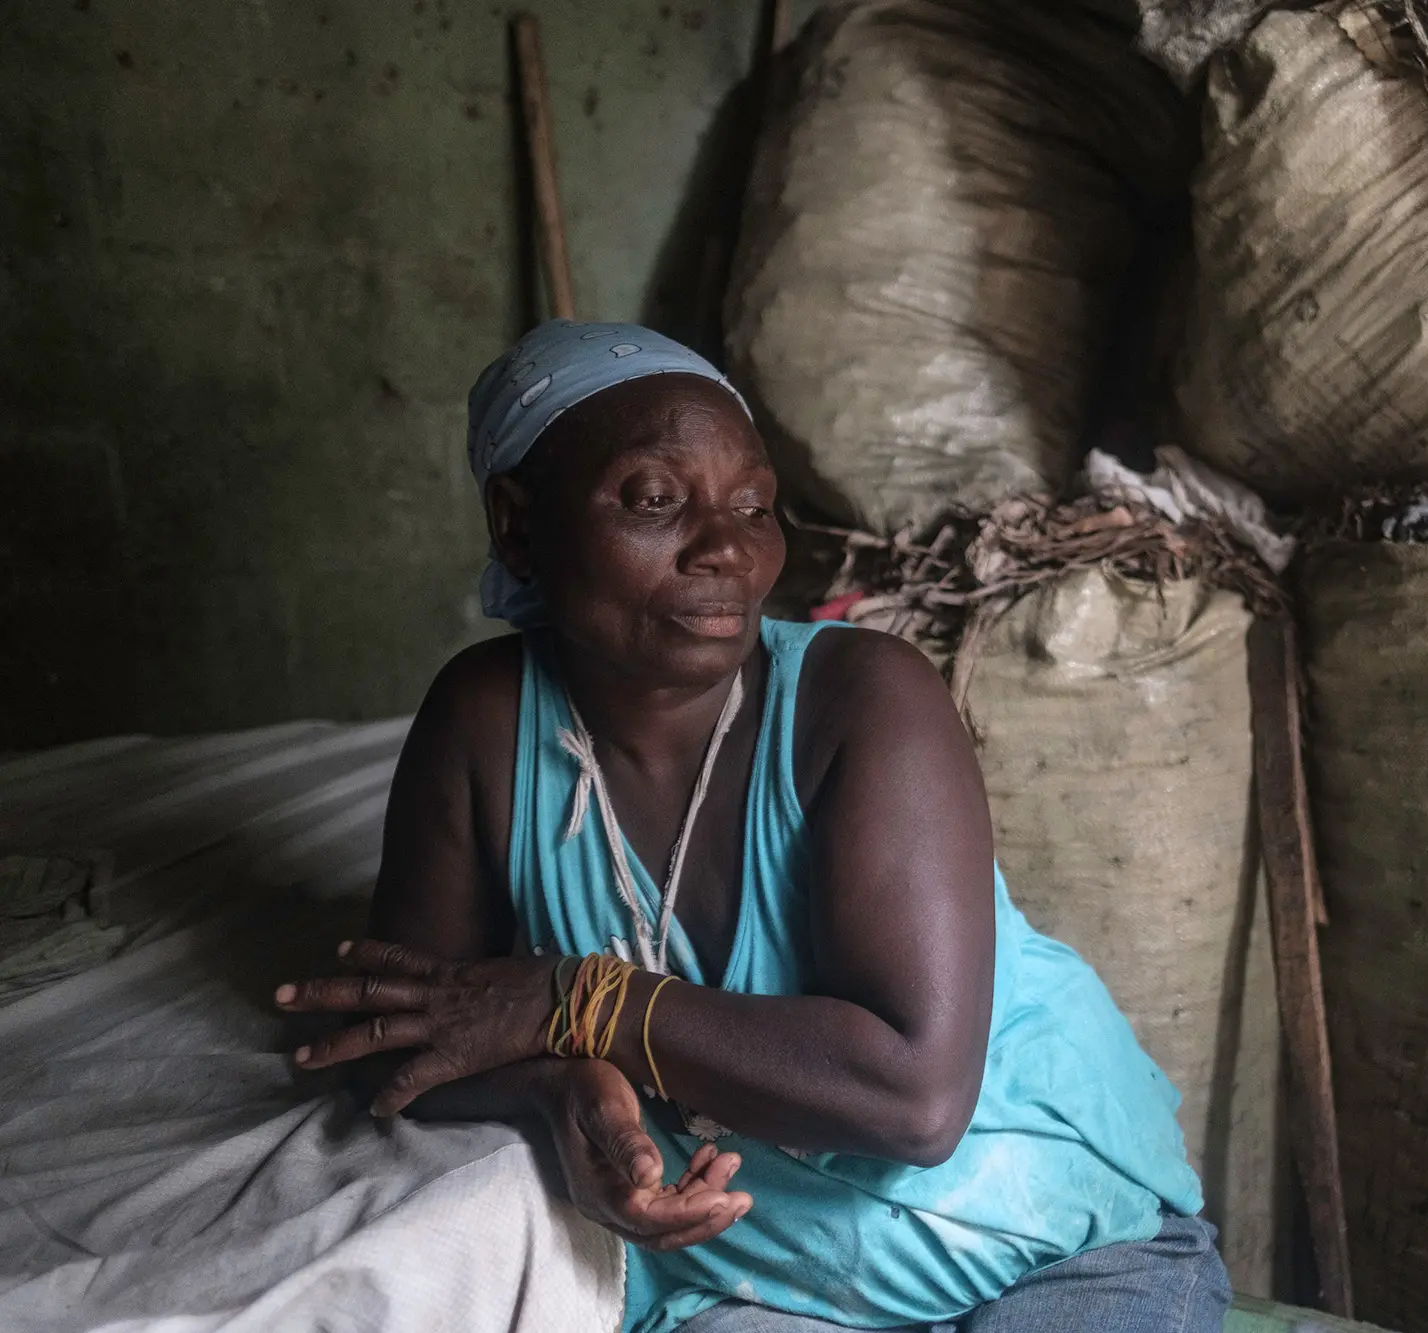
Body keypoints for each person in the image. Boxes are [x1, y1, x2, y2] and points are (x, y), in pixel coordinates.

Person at [274, 321, 1229, 1333]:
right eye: (654, 499)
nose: (725, 546)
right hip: (752, 1276)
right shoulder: (484, 720)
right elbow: (407, 1036)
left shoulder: (860, 699)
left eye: (753, 506)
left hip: (1038, 1236)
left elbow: (913, 1096)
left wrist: (576, 1001)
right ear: (518, 527)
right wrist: (555, 1089)